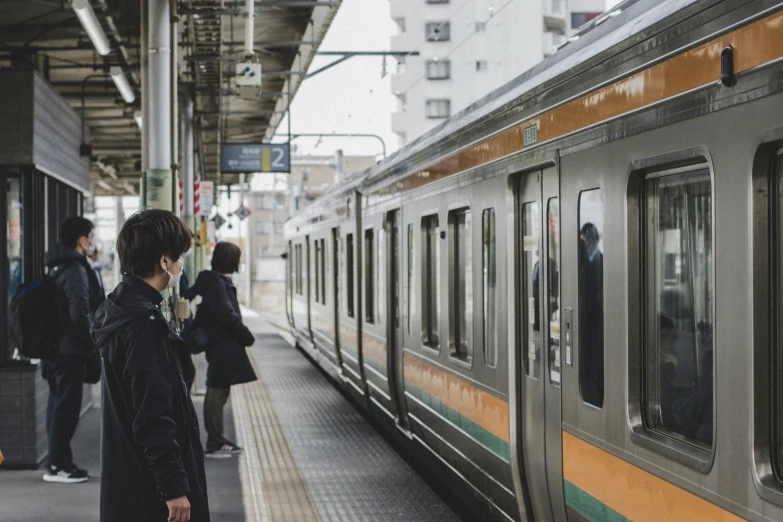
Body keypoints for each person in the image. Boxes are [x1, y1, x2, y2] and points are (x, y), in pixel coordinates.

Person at [92, 209, 209, 522]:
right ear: (164, 262)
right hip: (151, 490)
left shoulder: (117, 310)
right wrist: (174, 488)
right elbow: (153, 415)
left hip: (127, 477)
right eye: (179, 258)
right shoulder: (145, 325)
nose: (180, 267)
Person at [41, 217, 104, 484]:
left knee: (57, 406)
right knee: (66, 408)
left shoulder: (56, 266)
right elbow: (80, 312)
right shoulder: (75, 269)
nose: (93, 240)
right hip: (70, 351)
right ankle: (58, 465)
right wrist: (94, 340)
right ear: (82, 240)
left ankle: (57, 462)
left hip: (54, 347)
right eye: (91, 235)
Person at [189, 242, 256, 458]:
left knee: (217, 389)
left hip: (218, 344)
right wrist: (246, 335)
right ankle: (216, 442)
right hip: (223, 345)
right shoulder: (218, 284)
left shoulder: (211, 280)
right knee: (218, 391)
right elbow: (227, 315)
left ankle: (217, 439)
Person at [579, 222, 604, 406]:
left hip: (596, 324)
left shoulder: (600, 261)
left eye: (586, 239)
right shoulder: (584, 263)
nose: (585, 244)